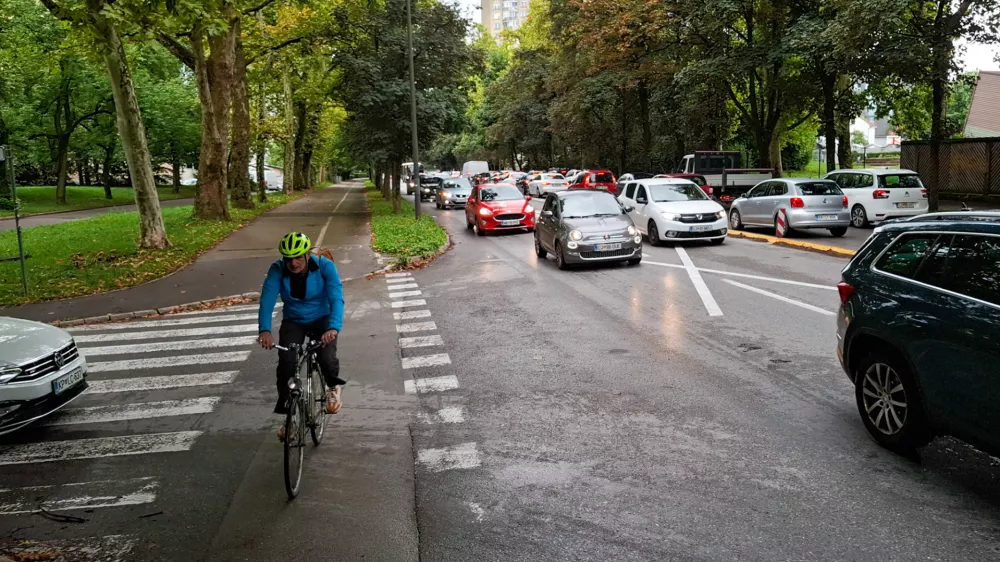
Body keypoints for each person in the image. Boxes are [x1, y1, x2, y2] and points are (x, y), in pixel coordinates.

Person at [257, 232, 346, 435]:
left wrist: (333, 327)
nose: (294, 263)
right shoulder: (278, 269)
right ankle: (290, 417)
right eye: (289, 259)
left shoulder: (324, 266)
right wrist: (265, 329)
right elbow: (267, 299)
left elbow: (336, 297)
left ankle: (332, 387)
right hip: (294, 320)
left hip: (322, 317)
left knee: (326, 356)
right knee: (287, 363)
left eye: (298, 257)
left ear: (307, 254)